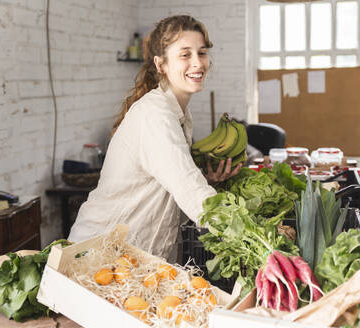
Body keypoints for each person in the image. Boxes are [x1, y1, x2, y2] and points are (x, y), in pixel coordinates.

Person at [68, 15, 242, 259]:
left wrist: (208, 181)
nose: (197, 63)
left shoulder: (180, 115)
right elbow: (190, 191)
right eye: (185, 55)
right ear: (161, 65)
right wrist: (251, 235)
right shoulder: (155, 115)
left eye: (201, 53)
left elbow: (171, 190)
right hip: (100, 257)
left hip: (134, 261)